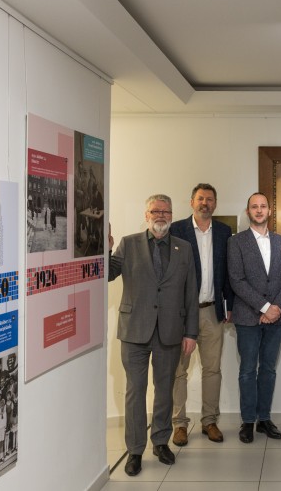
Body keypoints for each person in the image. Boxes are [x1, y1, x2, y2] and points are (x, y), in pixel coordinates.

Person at [108, 194, 199, 476]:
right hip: (134, 330)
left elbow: (191, 293)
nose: (161, 215)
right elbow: (108, 274)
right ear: (146, 215)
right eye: (155, 211)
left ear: (171, 215)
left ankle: (160, 442)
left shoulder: (184, 247)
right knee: (135, 391)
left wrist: (191, 332)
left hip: (170, 331)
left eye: (166, 211)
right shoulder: (129, 243)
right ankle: (135, 450)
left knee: (164, 390)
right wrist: (104, 250)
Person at [227, 192, 281, 443]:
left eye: (263, 206)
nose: (258, 210)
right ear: (248, 212)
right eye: (254, 207)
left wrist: (275, 308)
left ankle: (264, 419)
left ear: (269, 211)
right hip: (248, 318)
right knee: (247, 370)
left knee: (268, 369)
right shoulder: (236, 242)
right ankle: (247, 421)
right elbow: (237, 280)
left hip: (276, 319)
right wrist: (265, 307)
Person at [170, 183, 234, 446]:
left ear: (215, 204)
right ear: (191, 202)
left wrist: (229, 304)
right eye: (200, 199)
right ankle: (179, 423)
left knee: (212, 369)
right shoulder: (177, 230)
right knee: (178, 371)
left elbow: (228, 271)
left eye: (209, 199)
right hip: (182, 314)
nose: (204, 203)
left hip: (211, 311)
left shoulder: (224, 232)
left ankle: (209, 421)